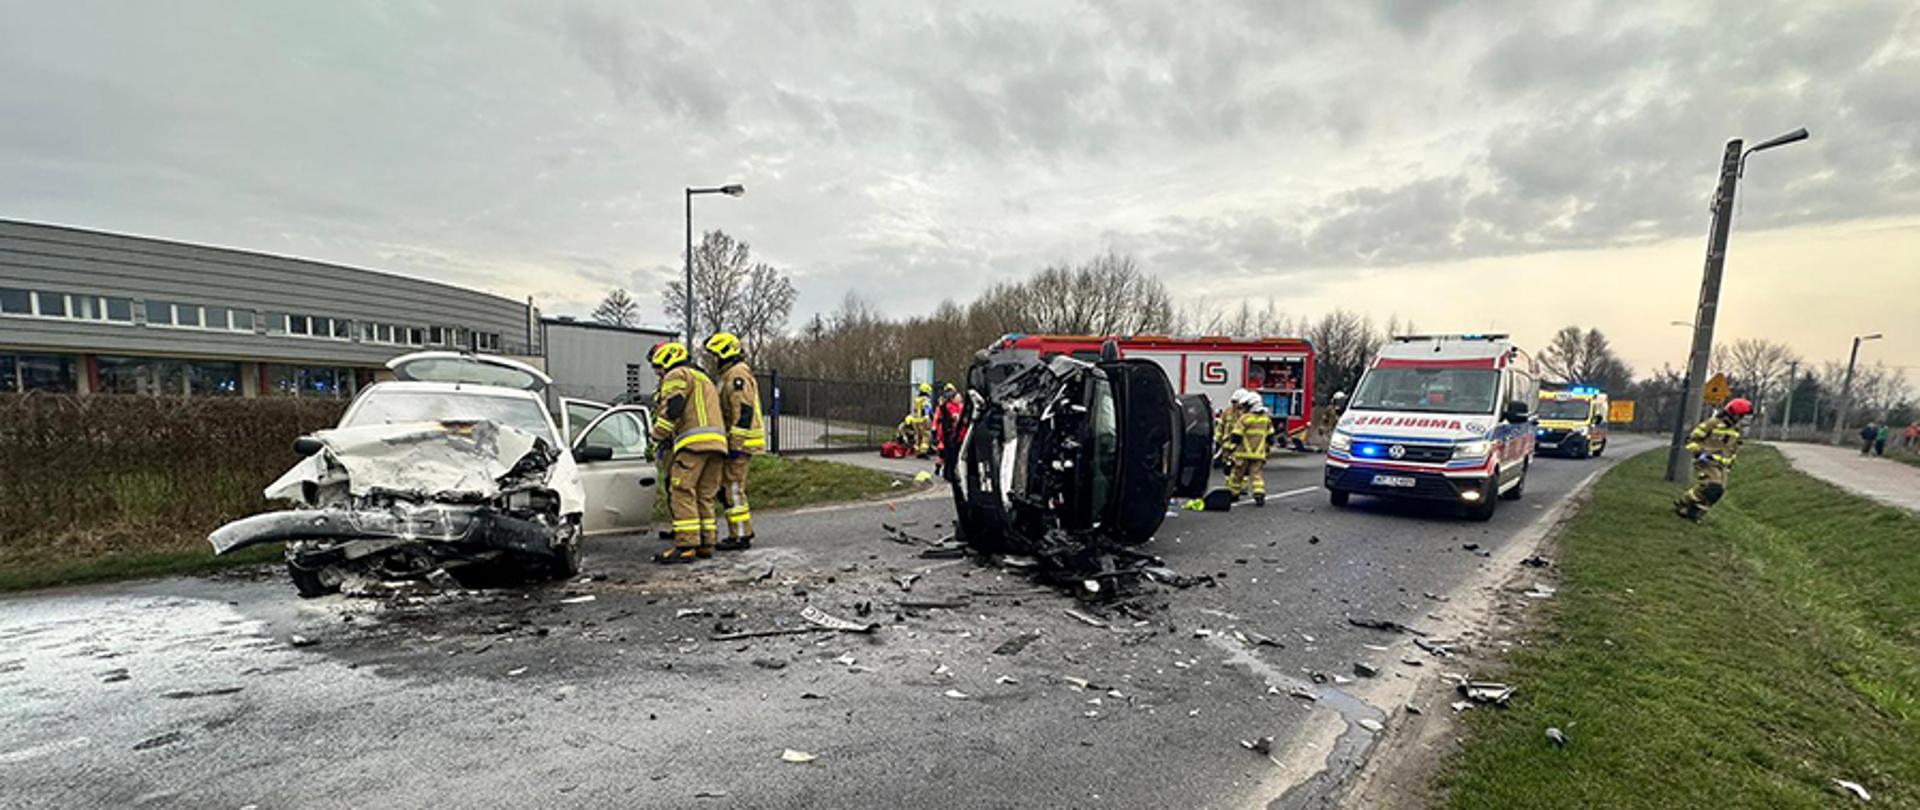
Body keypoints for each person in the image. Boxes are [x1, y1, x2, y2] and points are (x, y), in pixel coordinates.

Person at [647, 341, 728, 563]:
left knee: (681, 490)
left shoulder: (677, 375)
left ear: (667, 361)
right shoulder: (704, 378)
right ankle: (706, 543)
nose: (659, 374)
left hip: (693, 444)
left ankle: (686, 546)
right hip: (718, 445)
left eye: (658, 368)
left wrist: (655, 435)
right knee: (705, 495)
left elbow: (674, 408)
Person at [703, 332, 765, 552]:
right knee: (729, 488)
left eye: (715, 354)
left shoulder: (736, 375)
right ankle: (740, 531)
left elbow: (743, 411)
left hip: (741, 444)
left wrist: (736, 445)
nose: (713, 359)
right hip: (736, 442)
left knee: (734, 488)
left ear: (724, 352)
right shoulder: (730, 374)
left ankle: (740, 536)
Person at [1674, 397, 1750, 523]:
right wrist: (1699, 452)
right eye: (1741, 416)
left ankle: (1692, 508)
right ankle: (1689, 507)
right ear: (1733, 414)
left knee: (1717, 492)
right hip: (1707, 461)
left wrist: (1731, 463)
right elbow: (1691, 439)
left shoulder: (1736, 430)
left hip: (1722, 465)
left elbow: (1734, 448)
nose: (1742, 419)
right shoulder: (1712, 423)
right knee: (1712, 486)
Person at [1224, 402, 1273, 506]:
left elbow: (1236, 436)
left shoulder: (1244, 419)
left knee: (1237, 474)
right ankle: (1259, 493)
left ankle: (1234, 494)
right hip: (1259, 454)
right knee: (1256, 475)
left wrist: (1231, 449)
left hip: (1243, 453)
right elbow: (1271, 438)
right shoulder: (1266, 419)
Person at [933, 383, 966, 478]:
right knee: (946, 453)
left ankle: (943, 469)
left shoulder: (959, 406)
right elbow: (941, 417)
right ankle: (945, 471)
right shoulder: (948, 407)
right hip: (949, 433)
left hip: (955, 433)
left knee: (948, 453)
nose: (960, 398)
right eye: (958, 397)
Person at [1215, 389, 1251, 469]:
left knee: (1240, 470)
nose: (1234, 404)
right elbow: (1221, 426)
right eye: (1233, 402)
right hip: (1227, 447)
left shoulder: (1248, 414)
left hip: (1241, 448)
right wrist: (1217, 440)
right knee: (1227, 470)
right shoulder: (1227, 412)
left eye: (1236, 402)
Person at [907, 383, 934, 457]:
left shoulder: (916, 400)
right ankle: (923, 452)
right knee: (926, 435)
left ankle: (917, 451)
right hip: (924, 420)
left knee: (918, 436)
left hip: (915, 421)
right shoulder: (926, 400)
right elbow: (927, 409)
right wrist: (930, 416)